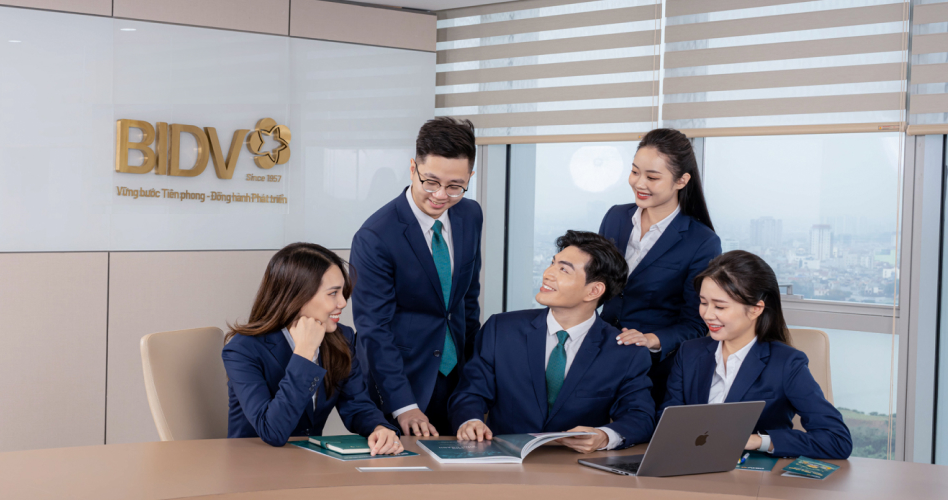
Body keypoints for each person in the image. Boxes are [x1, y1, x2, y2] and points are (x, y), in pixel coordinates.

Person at [450, 231, 656, 452]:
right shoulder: (501, 329)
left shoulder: (624, 352)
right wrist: (470, 420)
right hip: (504, 458)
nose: (547, 274)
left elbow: (640, 417)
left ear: (594, 291)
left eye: (564, 269)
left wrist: (605, 436)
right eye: (552, 263)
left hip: (577, 464)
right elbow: (470, 392)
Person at [352, 117, 482, 437]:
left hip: (458, 380)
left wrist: (474, 378)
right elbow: (374, 329)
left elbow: (467, 299)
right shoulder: (376, 236)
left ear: (469, 177)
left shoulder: (470, 215)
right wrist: (403, 405)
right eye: (431, 182)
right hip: (402, 382)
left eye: (455, 186)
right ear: (413, 168)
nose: (441, 195)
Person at [662, 251, 853, 460]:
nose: (707, 315)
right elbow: (666, 423)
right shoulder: (689, 353)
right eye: (703, 303)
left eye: (720, 306)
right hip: (688, 465)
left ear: (755, 309)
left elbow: (837, 440)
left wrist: (756, 441)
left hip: (750, 473)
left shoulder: (786, 363)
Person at [223, 242, 404, 455]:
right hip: (254, 462)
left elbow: (357, 405)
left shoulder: (341, 338)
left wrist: (379, 428)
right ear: (298, 296)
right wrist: (304, 353)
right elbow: (272, 431)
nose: (343, 303)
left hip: (308, 461)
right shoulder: (242, 350)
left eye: (343, 292)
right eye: (333, 293)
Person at [598, 128, 722, 402]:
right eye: (635, 172)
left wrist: (651, 339)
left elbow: (696, 323)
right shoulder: (616, 217)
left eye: (652, 177)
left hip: (655, 369)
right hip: (601, 353)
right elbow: (596, 284)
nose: (639, 183)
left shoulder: (701, 242)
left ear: (682, 180)